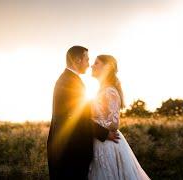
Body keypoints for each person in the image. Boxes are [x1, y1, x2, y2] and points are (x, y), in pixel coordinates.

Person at [47, 46, 120, 180]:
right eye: (87, 59)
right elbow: (78, 118)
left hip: (69, 149)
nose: (89, 64)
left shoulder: (69, 80)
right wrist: (104, 133)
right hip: (70, 151)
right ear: (77, 60)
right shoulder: (70, 82)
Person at [88, 55, 151, 180]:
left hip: (106, 143)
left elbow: (114, 122)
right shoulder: (101, 90)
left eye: (96, 63)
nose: (92, 65)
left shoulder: (109, 91)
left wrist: (90, 123)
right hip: (99, 140)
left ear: (107, 68)